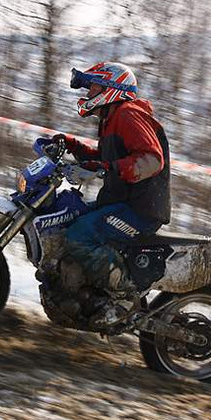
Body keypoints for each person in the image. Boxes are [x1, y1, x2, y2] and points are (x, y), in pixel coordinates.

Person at [51, 61, 171, 328]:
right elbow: (104, 158)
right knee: (69, 218)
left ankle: (125, 297)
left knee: (79, 236)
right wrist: (71, 145)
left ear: (112, 88)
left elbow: (152, 160)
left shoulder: (129, 115)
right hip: (120, 204)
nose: (89, 93)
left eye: (94, 87)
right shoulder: (112, 119)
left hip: (140, 210)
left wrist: (107, 169)